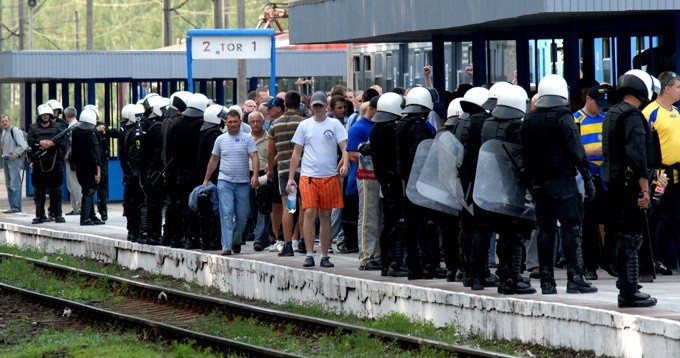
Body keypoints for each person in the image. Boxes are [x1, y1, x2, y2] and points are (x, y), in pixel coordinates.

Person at [521, 74, 598, 295]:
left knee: (545, 231)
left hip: (539, 184)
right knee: (571, 228)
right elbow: (577, 151)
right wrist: (587, 179)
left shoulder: (529, 120)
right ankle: (575, 277)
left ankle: (547, 280)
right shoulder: (564, 118)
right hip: (563, 181)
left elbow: (524, 156)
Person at [603, 69, 660, 308]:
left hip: (614, 185)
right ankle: (629, 290)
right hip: (630, 186)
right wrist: (645, 189)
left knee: (622, 236)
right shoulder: (634, 117)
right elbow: (637, 156)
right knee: (632, 238)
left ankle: (627, 287)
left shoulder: (612, 113)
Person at [472, 85, 536, 294]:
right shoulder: (517, 127)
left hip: (486, 184)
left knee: (482, 232)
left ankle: (477, 276)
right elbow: (521, 159)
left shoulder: (486, 123)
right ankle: (510, 277)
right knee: (513, 233)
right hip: (510, 187)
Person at [287, 91, 349, 268]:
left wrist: (344, 163)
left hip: (329, 176)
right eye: (315, 106)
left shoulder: (335, 124)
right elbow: (296, 153)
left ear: (326, 106)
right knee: (309, 212)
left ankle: (324, 254)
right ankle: (308, 253)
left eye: (321, 105)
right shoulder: (304, 125)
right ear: (311, 107)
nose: (318, 108)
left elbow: (344, 146)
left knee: (325, 215)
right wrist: (291, 177)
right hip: (308, 176)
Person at [395, 86, 439, 279]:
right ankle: (427, 265)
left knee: (410, 226)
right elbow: (423, 154)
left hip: (405, 181)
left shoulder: (400, 125)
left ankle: (413, 266)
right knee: (425, 226)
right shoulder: (422, 127)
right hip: (421, 183)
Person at [203, 110, 259, 255]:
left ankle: (235, 239)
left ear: (240, 122)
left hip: (243, 182)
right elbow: (213, 160)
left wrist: (255, 176)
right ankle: (226, 246)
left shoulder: (247, 139)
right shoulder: (220, 139)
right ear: (226, 123)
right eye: (230, 122)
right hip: (225, 181)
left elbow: (254, 157)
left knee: (242, 216)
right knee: (226, 213)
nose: (233, 125)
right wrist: (206, 179)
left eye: (235, 121)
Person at [642, 71, 680, 277]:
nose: (679, 91)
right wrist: (654, 172)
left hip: (676, 174)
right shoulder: (650, 112)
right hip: (660, 174)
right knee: (658, 218)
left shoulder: (676, 111)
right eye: (678, 87)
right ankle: (653, 258)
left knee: (676, 217)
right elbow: (646, 146)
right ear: (666, 88)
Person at [573, 84, 611, 280]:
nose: (600, 108)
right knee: (588, 223)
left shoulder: (606, 119)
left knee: (610, 220)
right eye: (598, 103)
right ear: (588, 99)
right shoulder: (576, 120)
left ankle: (608, 258)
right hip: (587, 177)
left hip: (605, 177)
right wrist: (590, 153)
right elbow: (571, 149)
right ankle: (590, 265)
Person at [369, 92, 408, 277]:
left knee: (389, 223)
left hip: (385, 182)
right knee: (396, 223)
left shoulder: (376, 129)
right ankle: (394, 262)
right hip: (394, 182)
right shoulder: (389, 130)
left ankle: (388, 262)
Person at [267, 91, 306, 256]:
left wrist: (270, 169)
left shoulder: (275, 124)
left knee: (288, 207)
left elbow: (270, 152)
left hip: (284, 171)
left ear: (284, 105)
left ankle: (288, 244)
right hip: (303, 169)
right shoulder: (304, 123)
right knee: (304, 206)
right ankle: (304, 240)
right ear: (299, 105)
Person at [166, 93, 207, 249]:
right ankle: (195, 237)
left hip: (179, 171)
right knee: (197, 205)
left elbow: (170, 149)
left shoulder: (177, 124)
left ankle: (180, 237)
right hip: (197, 172)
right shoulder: (201, 125)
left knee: (181, 205)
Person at [349, 96, 382, 269]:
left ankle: (377, 253)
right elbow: (351, 155)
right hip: (366, 177)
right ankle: (367, 256)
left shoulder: (379, 124)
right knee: (368, 217)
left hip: (380, 176)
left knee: (380, 217)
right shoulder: (359, 127)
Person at [27, 104, 68, 224]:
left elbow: (63, 142)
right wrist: (40, 143)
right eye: (43, 115)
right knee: (39, 191)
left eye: (47, 114)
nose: (45, 117)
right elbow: (30, 142)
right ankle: (40, 215)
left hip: (55, 163)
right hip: (39, 164)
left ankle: (58, 214)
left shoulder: (58, 127)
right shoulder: (33, 128)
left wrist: (52, 144)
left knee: (56, 190)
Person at [71, 108, 104, 226]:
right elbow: (96, 154)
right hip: (90, 167)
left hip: (80, 166)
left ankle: (92, 215)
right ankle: (84, 217)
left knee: (86, 189)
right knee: (89, 191)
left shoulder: (75, 131)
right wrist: (98, 171)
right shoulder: (92, 134)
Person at [246, 111, 272, 251]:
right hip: (248, 174)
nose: (255, 124)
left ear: (263, 122)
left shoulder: (269, 138)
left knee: (264, 206)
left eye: (258, 121)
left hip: (265, 174)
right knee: (252, 208)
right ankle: (263, 237)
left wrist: (270, 165)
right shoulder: (245, 138)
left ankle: (259, 239)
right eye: (252, 122)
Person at [120, 104, 145, 242]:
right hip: (134, 171)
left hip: (131, 172)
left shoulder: (128, 130)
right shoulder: (131, 131)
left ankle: (133, 230)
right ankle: (135, 230)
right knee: (136, 202)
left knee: (132, 202)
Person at [1, 113, 28, 213]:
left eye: (6, 121)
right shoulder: (4, 132)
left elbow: (23, 145)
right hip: (6, 159)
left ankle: (16, 207)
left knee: (15, 184)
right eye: (2, 121)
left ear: (9, 121)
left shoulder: (14, 131)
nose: (4, 123)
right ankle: (12, 206)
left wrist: (16, 154)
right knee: (8, 185)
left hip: (14, 160)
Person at [63, 107, 82, 216]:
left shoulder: (73, 127)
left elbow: (72, 142)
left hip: (72, 158)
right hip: (72, 158)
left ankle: (79, 207)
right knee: (71, 185)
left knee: (75, 184)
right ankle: (75, 207)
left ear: (66, 116)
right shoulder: (76, 125)